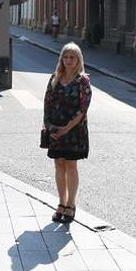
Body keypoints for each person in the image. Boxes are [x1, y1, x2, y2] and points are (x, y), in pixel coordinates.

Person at [44, 43, 92, 222]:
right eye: (66, 57)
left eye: (72, 57)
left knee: (71, 166)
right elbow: (47, 104)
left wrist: (66, 128)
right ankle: (61, 203)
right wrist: (49, 127)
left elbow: (83, 109)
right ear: (61, 59)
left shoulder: (83, 81)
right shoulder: (55, 77)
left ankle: (71, 205)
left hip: (74, 131)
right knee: (58, 165)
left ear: (78, 59)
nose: (69, 60)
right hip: (56, 130)